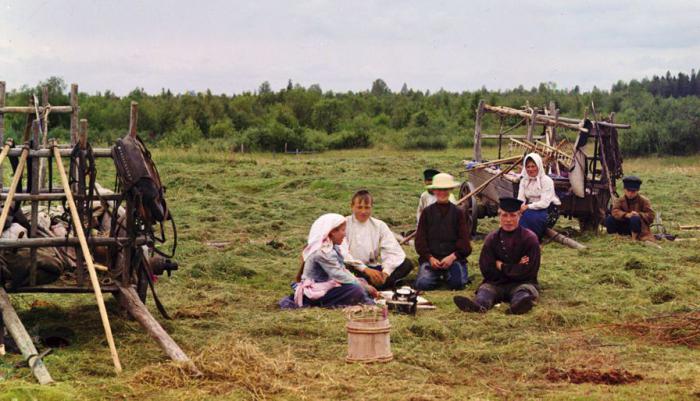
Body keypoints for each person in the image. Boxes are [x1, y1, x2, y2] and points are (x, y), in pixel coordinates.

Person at [453, 197, 541, 315]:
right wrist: (516, 266)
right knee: (485, 291)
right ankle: (478, 306)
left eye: (513, 215)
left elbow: (529, 271)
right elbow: (487, 269)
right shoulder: (491, 239)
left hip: (522, 283)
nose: (508, 220)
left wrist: (502, 266)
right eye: (504, 215)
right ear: (499, 216)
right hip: (496, 283)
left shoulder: (530, 239)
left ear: (519, 216)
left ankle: (517, 307)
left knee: (523, 293)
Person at [278, 213, 376, 309]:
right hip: (317, 292)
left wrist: (361, 283)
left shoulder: (332, 247)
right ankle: (367, 302)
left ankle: (365, 298)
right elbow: (338, 274)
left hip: (327, 285)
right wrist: (363, 287)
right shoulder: (323, 252)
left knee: (362, 281)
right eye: (343, 230)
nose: (345, 234)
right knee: (355, 289)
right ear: (332, 232)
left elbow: (342, 269)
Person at [341, 190, 414, 290]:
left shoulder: (379, 225)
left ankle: (380, 283)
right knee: (344, 268)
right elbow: (343, 253)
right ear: (352, 206)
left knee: (406, 263)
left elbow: (392, 250)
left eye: (367, 208)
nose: (363, 211)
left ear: (371, 208)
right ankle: (378, 285)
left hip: (373, 267)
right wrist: (365, 269)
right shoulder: (343, 224)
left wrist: (386, 273)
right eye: (359, 207)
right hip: (354, 268)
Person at [414, 173, 471, 291]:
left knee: (458, 284)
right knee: (422, 284)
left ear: (450, 190)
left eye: (445, 190)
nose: (442, 193)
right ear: (434, 191)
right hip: (431, 261)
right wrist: (430, 258)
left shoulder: (459, 213)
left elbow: (465, 242)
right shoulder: (426, 213)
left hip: (453, 260)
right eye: (439, 190)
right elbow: (420, 241)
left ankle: (448, 274)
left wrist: (453, 257)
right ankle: (438, 275)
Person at [517, 153, 561, 240]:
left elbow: (544, 203)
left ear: (539, 166)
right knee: (517, 216)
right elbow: (521, 198)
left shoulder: (546, 181)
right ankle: (521, 238)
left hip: (548, 209)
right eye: (528, 167)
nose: (530, 169)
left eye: (533, 166)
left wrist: (527, 207)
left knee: (529, 217)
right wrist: (519, 208)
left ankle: (532, 238)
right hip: (530, 207)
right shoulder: (524, 181)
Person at [604, 176, 656, 241]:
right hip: (622, 225)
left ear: (637, 191)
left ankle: (634, 238)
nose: (630, 193)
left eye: (633, 191)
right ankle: (614, 237)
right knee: (609, 219)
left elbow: (651, 215)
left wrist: (639, 215)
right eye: (628, 190)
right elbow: (615, 211)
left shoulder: (644, 201)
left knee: (634, 218)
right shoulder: (619, 200)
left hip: (639, 228)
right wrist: (626, 215)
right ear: (624, 190)